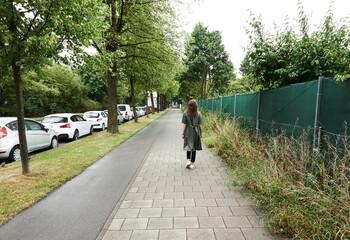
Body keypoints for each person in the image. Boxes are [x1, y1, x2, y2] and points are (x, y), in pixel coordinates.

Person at [182, 99, 203, 169]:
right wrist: (201, 132)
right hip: (196, 131)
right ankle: (192, 163)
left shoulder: (185, 114)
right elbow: (200, 125)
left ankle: (188, 160)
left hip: (188, 131)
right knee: (194, 147)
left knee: (188, 145)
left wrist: (183, 133)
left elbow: (185, 124)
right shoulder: (198, 114)